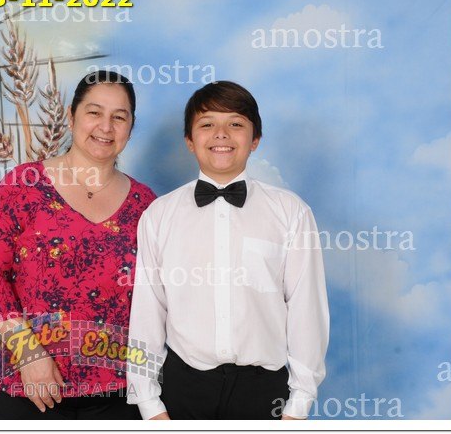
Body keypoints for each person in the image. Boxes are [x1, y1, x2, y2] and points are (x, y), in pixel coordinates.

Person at [127, 81, 329, 420]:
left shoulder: (291, 212)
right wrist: (148, 403)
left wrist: (298, 405)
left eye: (235, 123)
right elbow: (147, 312)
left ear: (255, 139)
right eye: (207, 124)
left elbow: (306, 309)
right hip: (182, 388)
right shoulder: (159, 215)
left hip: (265, 391)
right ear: (189, 141)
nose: (221, 134)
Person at [0, 71, 156, 419]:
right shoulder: (24, 185)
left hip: (117, 395)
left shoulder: (146, 205)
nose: (105, 127)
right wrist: (27, 352)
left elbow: (158, 296)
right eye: (94, 112)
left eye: (119, 117)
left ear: (130, 127)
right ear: (71, 116)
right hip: (25, 389)